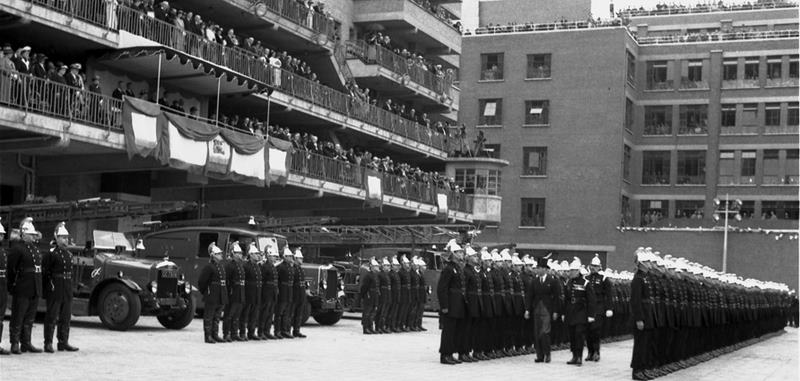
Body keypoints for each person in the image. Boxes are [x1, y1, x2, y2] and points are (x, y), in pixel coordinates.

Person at [6, 217, 44, 354]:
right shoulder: (18, 248)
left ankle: (26, 342)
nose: (33, 237)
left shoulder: (35, 249)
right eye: (31, 235)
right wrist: (12, 285)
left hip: (34, 286)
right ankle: (14, 342)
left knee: (29, 318)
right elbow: (11, 268)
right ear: (23, 234)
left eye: (34, 235)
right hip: (22, 286)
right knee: (18, 316)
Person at [41, 222, 78, 353]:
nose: (65, 239)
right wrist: (47, 289)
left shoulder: (69, 255)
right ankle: (48, 343)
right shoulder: (51, 254)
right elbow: (45, 273)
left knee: (66, 317)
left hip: (67, 287)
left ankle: (63, 342)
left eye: (67, 237)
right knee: (52, 316)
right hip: (55, 287)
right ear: (56, 238)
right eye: (62, 237)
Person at [525, 256, 561, 363]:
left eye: (540, 268)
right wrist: (527, 309)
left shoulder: (553, 281)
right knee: (537, 333)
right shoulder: (534, 281)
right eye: (537, 268)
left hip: (547, 309)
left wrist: (555, 311)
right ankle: (539, 355)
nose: (538, 270)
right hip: (536, 308)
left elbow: (556, 297)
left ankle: (547, 353)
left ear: (545, 269)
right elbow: (529, 296)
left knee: (545, 332)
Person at [563, 257, 596, 366]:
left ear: (577, 271)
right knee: (572, 335)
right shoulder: (568, 282)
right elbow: (566, 299)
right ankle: (574, 355)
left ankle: (579, 357)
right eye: (570, 270)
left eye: (572, 270)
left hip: (581, 312)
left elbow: (591, 300)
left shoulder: (585, 283)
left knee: (579, 335)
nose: (570, 272)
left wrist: (591, 315)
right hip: (571, 312)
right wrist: (564, 313)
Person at [438, 241, 466, 365]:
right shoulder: (448, 269)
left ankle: (450, 353)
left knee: (454, 330)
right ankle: (445, 355)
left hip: (457, 304)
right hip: (450, 304)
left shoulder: (457, 268)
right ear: (454, 254)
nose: (462, 254)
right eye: (459, 252)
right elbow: (442, 288)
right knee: (448, 331)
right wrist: (444, 306)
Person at [197, 242, 228, 343]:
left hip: (220, 295)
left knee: (217, 317)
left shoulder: (221, 266)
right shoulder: (209, 267)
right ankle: (208, 336)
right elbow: (202, 282)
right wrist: (206, 292)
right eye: (218, 254)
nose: (221, 255)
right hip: (212, 295)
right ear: (213, 255)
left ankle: (215, 334)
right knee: (209, 316)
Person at [585, 253, 612, 362]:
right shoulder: (586, 278)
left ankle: (596, 351)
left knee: (595, 331)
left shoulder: (604, 278)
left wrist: (609, 308)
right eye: (592, 266)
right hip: (588, 308)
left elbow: (608, 295)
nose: (593, 268)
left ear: (600, 267)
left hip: (599, 308)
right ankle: (590, 352)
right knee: (587, 331)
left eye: (596, 266)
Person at [223, 241, 246, 342]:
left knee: (237, 315)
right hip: (233, 292)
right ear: (233, 253)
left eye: (241, 253)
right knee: (229, 315)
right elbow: (226, 280)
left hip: (240, 291)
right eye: (238, 253)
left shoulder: (240, 265)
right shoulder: (229, 265)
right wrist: (228, 293)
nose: (240, 255)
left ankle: (234, 333)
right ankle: (226, 333)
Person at [241, 243, 263, 340]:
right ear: (250, 255)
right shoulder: (246, 266)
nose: (258, 256)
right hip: (249, 293)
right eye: (255, 254)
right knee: (245, 314)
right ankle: (242, 332)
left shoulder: (257, 266)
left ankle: (251, 332)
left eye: (258, 254)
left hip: (257, 293)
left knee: (254, 314)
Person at [258, 246, 279, 340]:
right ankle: (261, 331)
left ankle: (267, 330)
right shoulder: (264, 267)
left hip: (273, 291)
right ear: (268, 256)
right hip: (267, 291)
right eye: (273, 256)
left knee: (270, 313)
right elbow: (262, 280)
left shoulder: (273, 267)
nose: (275, 258)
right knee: (264, 312)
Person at [274, 247, 295, 339]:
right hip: (282, 290)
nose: (290, 257)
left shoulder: (290, 267)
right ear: (284, 257)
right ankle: (277, 331)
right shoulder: (280, 267)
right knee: (279, 312)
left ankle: (285, 330)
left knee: (287, 312)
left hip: (289, 290)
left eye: (291, 256)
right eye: (289, 256)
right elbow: (277, 280)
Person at [291, 248, 308, 338]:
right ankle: (287, 330)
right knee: (292, 313)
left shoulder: (300, 269)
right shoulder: (293, 269)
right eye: (299, 258)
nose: (301, 260)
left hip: (301, 292)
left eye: (301, 258)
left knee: (299, 313)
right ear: (295, 259)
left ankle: (296, 330)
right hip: (295, 292)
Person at [360, 257, 380, 334]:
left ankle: (371, 327)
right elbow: (364, 287)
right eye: (376, 266)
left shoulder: (375, 275)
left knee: (372, 312)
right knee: (367, 313)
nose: (377, 267)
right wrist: (364, 296)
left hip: (374, 295)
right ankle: (366, 328)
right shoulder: (368, 275)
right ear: (371, 267)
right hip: (369, 295)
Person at [375, 257, 392, 334]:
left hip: (387, 294)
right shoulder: (380, 274)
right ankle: (377, 327)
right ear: (382, 266)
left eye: (388, 266)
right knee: (380, 312)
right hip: (382, 294)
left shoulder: (387, 274)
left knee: (385, 312)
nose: (388, 267)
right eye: (386, 265)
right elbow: (378, 285)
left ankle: (382, 326)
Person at [0, 217, 9, 355]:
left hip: (2, 284)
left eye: (2, 235)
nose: (1, 237)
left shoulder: (2, 250)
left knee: (0, 317)